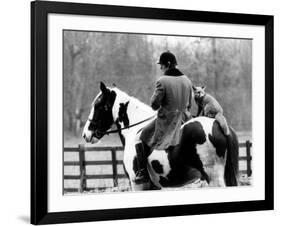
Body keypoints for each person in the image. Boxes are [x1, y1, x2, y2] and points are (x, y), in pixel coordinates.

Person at [134, 51, 193, 184]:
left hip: (167, 120)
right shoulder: (187, 80)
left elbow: (154, 105)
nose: (160, 68)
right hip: (185, 118)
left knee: (139, 136)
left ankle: (142, 172)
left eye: (161, 65)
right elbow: (189, 104)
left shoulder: (162, 81)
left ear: (167, 64)